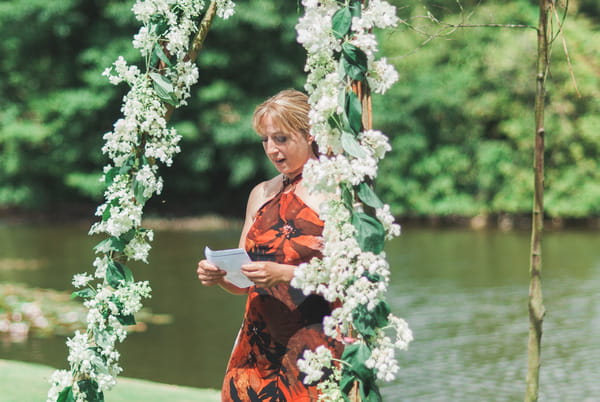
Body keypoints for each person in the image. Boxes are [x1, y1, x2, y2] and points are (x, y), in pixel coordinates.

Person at [196, 89, 342, 401]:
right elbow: (243, 283)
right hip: (256, 347)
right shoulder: (260, 194)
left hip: (314, 349)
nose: (272, 149)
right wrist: (220, 276)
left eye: (281, 139)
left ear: (311, 134)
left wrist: (285, 273)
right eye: (265, 140)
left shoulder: (336, 193)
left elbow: (352, 276)